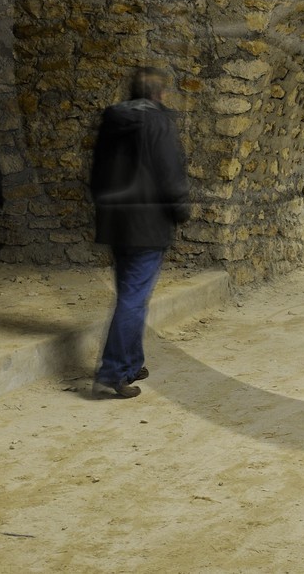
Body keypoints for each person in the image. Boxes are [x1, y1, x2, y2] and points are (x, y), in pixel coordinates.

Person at [88, 66, 190, 399]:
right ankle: (113, 371)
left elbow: (96, 172)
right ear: (160, 94)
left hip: (117, 222)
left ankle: (131, 363)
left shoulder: (112, 120)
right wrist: (180, 209)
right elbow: (169, 171)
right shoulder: (158, 122)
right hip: (147, 223)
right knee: (133, 299)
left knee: (131, 295)